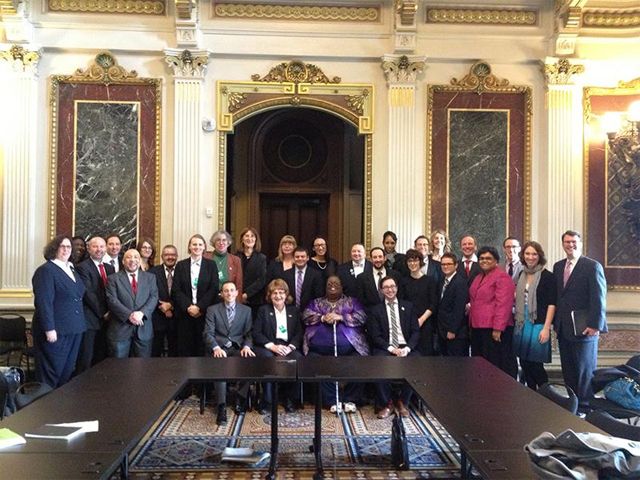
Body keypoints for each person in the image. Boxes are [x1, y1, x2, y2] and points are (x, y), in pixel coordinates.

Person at [553, 230, 607, 410]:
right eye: (567, 242)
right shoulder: (558, 266)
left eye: (574, 242)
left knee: (584, 372)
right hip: (564, 328)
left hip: (585, 328)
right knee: (568, 370)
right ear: (563, 245)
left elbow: (599, 297)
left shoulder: (592, 266)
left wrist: (595, 325)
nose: (570, 245)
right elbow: (559, 296)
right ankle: (572, 406)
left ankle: (584, 408)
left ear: (580, 244)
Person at [303, 275, 369, 411]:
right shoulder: (316, 302)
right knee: (315, 363)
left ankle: (351, 399)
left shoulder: (352, 302)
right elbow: (305, 316)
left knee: (361, 362)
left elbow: (362, 317)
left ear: (341, 287)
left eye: (336, 283)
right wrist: (322, 317)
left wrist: (341, 317)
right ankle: (332, 400)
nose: (332, 285)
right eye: (329, 284)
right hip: (319, 349)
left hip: (350, 348)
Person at [32, 235, 87, 388]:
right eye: (62, 246)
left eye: (69, 247)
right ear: (54, 249)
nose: (66, 250)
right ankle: (45, 409)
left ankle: (58, 408)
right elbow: (44, 302)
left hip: (74, 329)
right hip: (55, 331)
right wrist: (49, 329)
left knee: (66, 372)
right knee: (51, 373)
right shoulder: (46, 270)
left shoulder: (71, 269)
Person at [368, 276, 421, 418]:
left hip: (406, 347)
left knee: (416, 363)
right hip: (386, 347)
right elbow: (375, 336)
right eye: (386, 287)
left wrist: (407, 348)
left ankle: (403, 402)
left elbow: (416, 331)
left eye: (392, 286)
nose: (390, 290)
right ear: (381, 290)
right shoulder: (376, 310)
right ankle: (387, 403)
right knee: (377, 364)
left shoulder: (408, 306)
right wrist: (391, 349)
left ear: (397, 288)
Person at [203, 281, 255, 425]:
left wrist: (247, 347)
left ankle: (240, 399)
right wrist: (216, 348)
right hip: (220, 348)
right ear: (221, 294)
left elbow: (249, 334)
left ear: (237, 293)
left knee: (248, 362)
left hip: (238, 348)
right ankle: (221, 406)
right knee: (220, 366)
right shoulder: (212, 310)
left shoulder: (246, 310)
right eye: (226, 291)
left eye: (232, 290)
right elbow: (208, 333)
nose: (229, 293)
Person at [253, 279, 303, 413]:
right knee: (268, 360)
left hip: (288, 347)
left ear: (286, 295)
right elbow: (256, 333)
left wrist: (291, 347)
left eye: (281, 293)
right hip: (269, 347)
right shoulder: (263, 310)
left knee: (297, 360)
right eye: (274, 293)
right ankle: (267, 402)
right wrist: (272, 346)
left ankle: (290, 400)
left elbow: (299, 333)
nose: (278, 296)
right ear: (269, 295)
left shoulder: (294, 311)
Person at [513, 241, 556, 390]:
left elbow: (552, 304)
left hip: (538, 323)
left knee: (535, 363)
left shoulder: (548, 276)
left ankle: (547, 394)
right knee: (524, 361)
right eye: (527, 254)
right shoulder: (521, 274)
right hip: (521, 321)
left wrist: (546, 328)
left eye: (534, 254)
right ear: (523, 256)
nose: (530, 257)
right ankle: (531, 393)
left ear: (539, 256)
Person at [468, 246, 516, 376]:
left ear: (496, 261)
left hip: (494, 329)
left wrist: (498, 329)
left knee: (495, 364)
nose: (484, 261)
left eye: (488, 258)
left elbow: (503, 304)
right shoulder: (479, 277)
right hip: (478, 327)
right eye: (481, 258)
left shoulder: (502, 277)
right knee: (480, 363)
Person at [172, 234, 219, 357]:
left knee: (202, 347)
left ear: (204, 247)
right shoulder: (181, 265)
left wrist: (199, 307)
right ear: (189, 247)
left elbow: (213, 289)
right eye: (194, 244)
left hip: (204, 314)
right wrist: (189, 307)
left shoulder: (211, 265)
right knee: (185, 348)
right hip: (185, 314)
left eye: (200, 244)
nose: (197, 247)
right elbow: (176, 290)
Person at [105, 249, 158, 358]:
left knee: (142, 368)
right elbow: (112, 300)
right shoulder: (113, 279)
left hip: (144, 329)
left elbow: (154, 297)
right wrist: (129, 315)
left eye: (136, 257)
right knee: (119, 368)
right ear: (123, 261)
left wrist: (142, 313)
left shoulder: (150, 277)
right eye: (129, 257)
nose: (132, 260)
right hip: (120, 330)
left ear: (140, 261)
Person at [75, 235, 114, 373]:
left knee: (102, 358)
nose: (99, 249)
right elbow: (88, 293)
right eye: (95, 246)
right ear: (89, 249)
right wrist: (103, 312)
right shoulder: (82, 268)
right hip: (91, 319)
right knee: (86, 358)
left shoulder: (110, 268)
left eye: (102, 246)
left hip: (108, 320)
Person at [398, 249, 438, 355]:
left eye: (415, 260)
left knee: (426, 354)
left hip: (425, 322)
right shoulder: (403, 281)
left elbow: (433, 304)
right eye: (410, 261)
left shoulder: (430, 281)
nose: (412, 263)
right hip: (408, 323)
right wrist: (411, 321)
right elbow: (401, 303)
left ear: (420, 262)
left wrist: (421, 320)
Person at [436, 253, 469, 356]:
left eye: (449, 264)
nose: (445, 266)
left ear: (456, 265)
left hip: (455, 332)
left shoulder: (460, 283)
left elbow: (458, 309)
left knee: (455, 364)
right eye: (443, 264)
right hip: (442, 329)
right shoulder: (442, 280)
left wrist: (452, 330)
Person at [150, 244, 178, 357]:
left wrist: (171, 306)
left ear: (177, 256)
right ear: (162, 256)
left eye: (172, 254)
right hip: (157, 317)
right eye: (167, 254)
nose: (170, 257)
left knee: (175, 352)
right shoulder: (153, 272)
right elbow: (150, 293)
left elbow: (185, 292)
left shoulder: (183, 271)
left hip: (177, 318)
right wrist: (163, 307)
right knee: (155, 351)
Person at [357, 247, 400, 312]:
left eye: (380, 257)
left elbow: (400, 296)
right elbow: (361, 301)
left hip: (392, 313)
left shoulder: (395, 275)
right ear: (370, 259)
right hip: (371, 316)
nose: (378, 260)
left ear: (385, 258)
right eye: (375, 257)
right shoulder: (362, 278)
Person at [236, 227, 267, 315]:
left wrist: (246, 294)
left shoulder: (261, 258)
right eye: (247, 236)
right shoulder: (235, 257)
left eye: (252, 236)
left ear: (256, 239)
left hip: (255, 300)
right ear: (242, 239)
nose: (249, 239)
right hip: (237, 298)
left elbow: (261, 280)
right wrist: (239, 294)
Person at [284, 246, 324, 312]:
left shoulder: (316, 275)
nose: (300, 259)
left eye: (302, 256)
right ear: (293, 258)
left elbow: (318, 296)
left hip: (310, 312)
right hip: (290, 313)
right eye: (297, 257)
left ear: (307, 258)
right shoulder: (286, 275)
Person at [207, 230, 244, 301]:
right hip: (210, 298)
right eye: (218, 240)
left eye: (224, 240)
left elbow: (238, 284)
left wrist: (238, 303)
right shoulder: (206, 257)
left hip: (229, 297)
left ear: (228, 243)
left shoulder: (236, 260)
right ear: (214, 242)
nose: (221, 243)